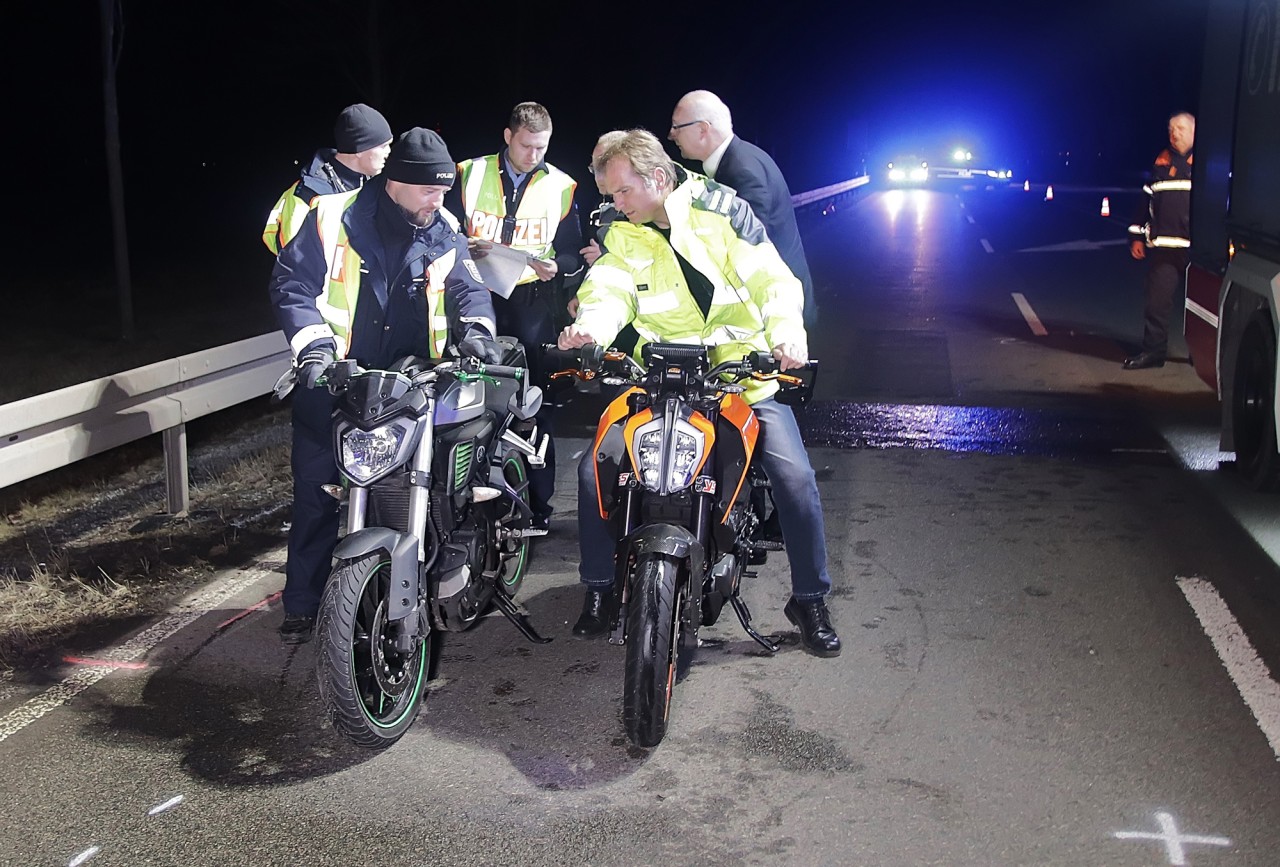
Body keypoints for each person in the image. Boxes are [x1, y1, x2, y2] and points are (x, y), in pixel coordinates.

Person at [558, 129, 841, 658]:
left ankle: (809, 600)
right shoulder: (622, 228)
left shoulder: (722, 209)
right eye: (611, 196)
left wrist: (786, 333)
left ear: (658, 179)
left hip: (738, 374)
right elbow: (610, 284)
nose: (615, 203)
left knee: (795, 479)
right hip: (660, 376)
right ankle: (598, 588)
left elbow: (769, 275)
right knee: (594, 466)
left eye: (622, 192)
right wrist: (591, 328)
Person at [268, 128, 500, 643]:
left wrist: (479, 333)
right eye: (429, 190)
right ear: (396, 182)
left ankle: (436, 570)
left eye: (444, 190)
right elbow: (293, 286)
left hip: (412, 384)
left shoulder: (442, 226)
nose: (439, 199)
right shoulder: (331, 218)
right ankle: (303, 604)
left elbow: (467, 288)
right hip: (335, 383)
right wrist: (313, 350)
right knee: (316, 494)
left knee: (430, 484)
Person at [449, 102, 585, 530]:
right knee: (469, 401)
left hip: (531, 304)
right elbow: (443, 227)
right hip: (474, 296)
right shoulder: (467, 172)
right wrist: (460, 244)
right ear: (508, 137)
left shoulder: (562, 185)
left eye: (542, 147)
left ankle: (537, 509)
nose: (534, 155)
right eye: (526, 146)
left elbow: (572, 251)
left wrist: (557, 268)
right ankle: (467, 503)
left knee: (532, 406)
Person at [668, 90, 817, 328]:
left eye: (677, 127)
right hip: (771, 306)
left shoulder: (742, 172)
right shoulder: (741, 159)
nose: (671, 135)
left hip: (776, 311)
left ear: (702, 129)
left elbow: (746, 243)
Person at [262, 103, 394, 254]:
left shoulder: (376, 185)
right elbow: (293, 261)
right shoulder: (308, 195)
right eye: (383, 146)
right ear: (359, 149)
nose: (388, 152)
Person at [1124, 111, 1195, 370]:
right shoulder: (1161, 164)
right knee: (1157, 303)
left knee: (1201, 310)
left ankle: (1203, 356)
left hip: (1199, 252)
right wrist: (1136, 236)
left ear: (1195, 132)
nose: (1174, 133)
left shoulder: (1208, 165)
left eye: (1180, 128)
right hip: (1164, 248)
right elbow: (1145, 203)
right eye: (1171, 129)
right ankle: (1154, 353)